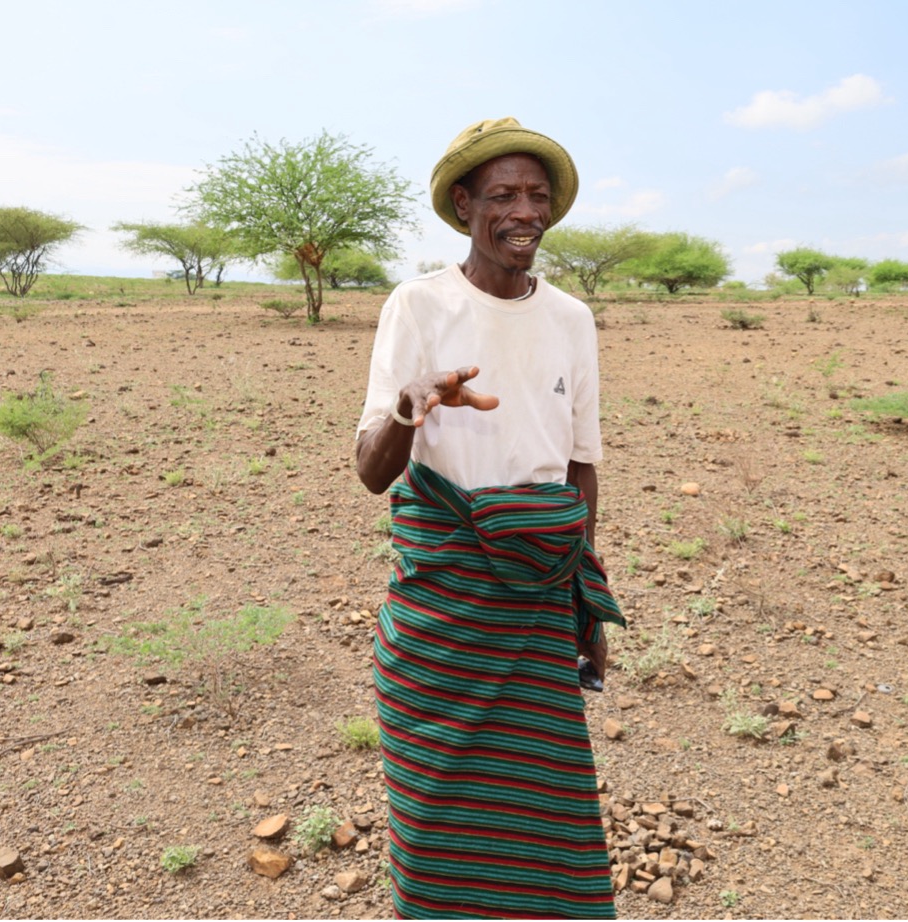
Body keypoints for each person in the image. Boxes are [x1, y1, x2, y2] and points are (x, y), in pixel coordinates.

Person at [354, 118, 624, 919]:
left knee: (545, 817)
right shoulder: (420, 305)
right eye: (503, 194)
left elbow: (581, 466)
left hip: (538, 604)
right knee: (439, 814)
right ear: (465, 204)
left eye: (537, 196)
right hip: (446, 608)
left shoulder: (572, 320)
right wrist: (411, 407)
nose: (524, 211)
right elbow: (373, 472)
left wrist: (586, 598)